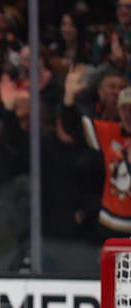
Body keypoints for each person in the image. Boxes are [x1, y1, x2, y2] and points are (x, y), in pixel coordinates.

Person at [61, 65, 131, 236]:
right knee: (118, 262)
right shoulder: (109, 132)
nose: (129, 114)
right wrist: (69, 98)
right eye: (124, 109)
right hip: (112, 224)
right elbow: (73, 126)